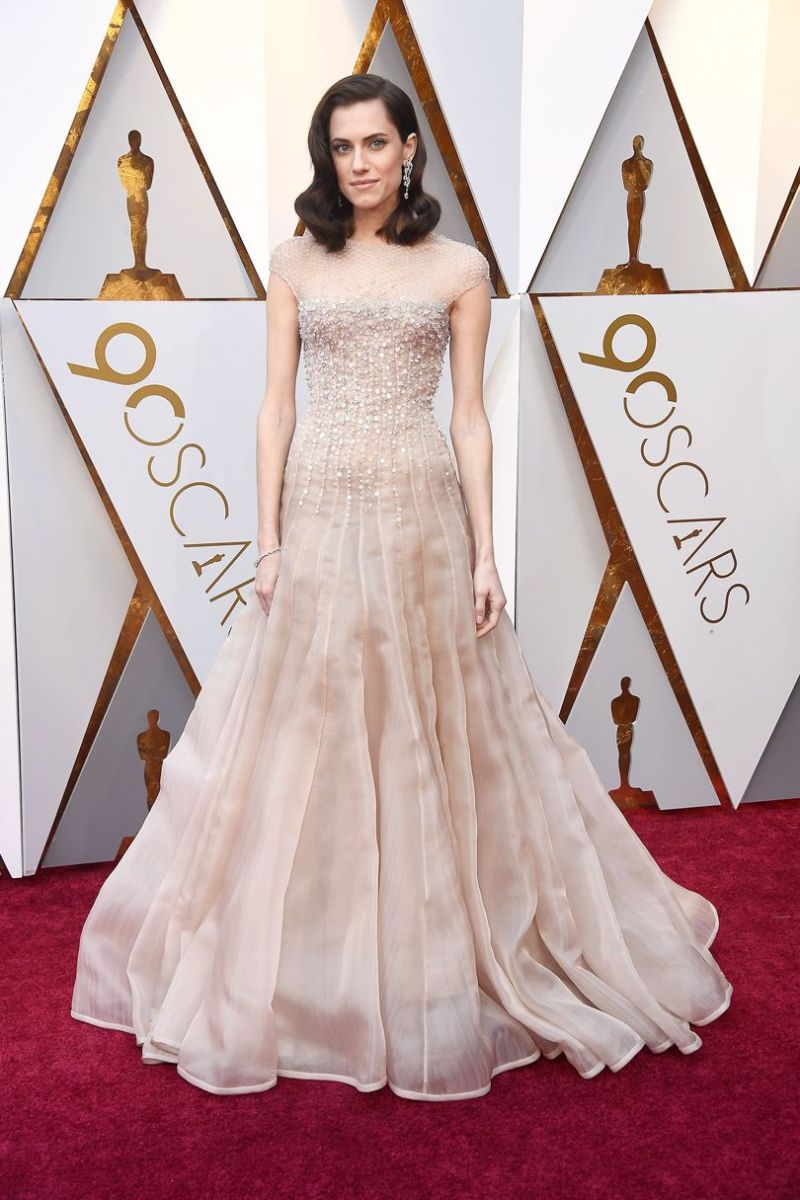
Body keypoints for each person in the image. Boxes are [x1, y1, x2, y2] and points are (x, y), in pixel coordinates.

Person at [71, 73, 732, 1101]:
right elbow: (275, 409)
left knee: (432, 722)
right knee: (309, 722)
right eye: (341, 147)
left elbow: (469, 415)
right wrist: (267, 543)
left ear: (410, 147)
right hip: (319, 509)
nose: (359, 164)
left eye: (375, 143)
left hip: (422, 508)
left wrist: (483, 552)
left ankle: (441, 948)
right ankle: (314, 959)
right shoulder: (294, 259)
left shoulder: (459, 267)